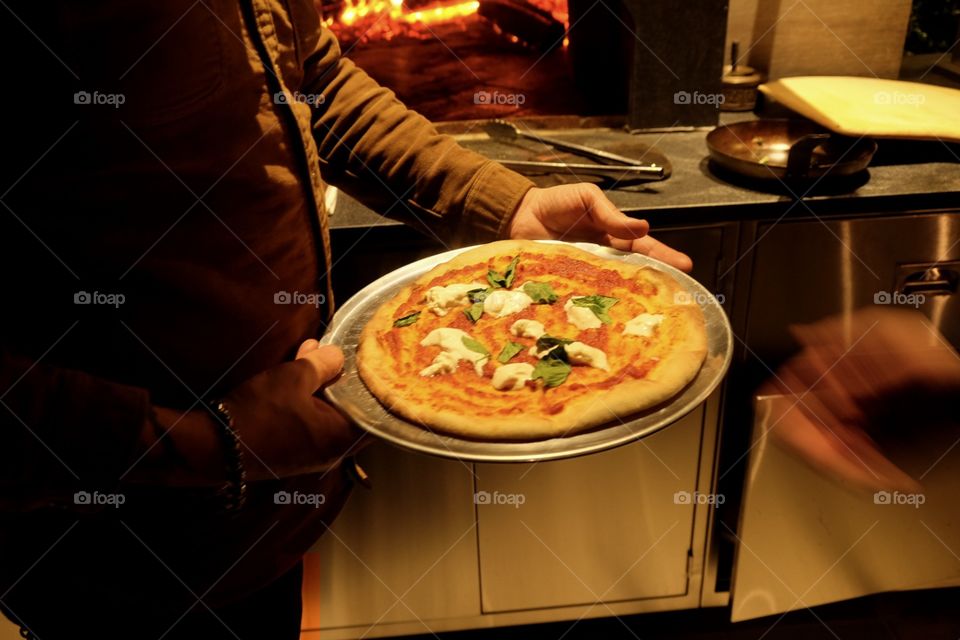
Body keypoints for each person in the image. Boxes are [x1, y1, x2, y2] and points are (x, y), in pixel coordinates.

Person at [0, 1, 691, 638]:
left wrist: (501, 206)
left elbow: (309, 79)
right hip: (117, 541)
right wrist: (199, 445)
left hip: (263, 513)